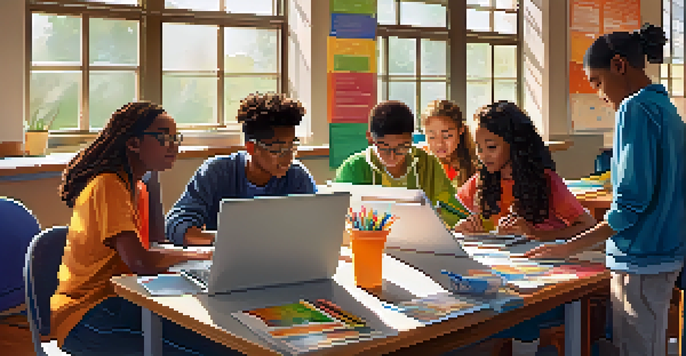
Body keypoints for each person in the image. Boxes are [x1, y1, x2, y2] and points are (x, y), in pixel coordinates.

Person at [527, 24, 686, 356]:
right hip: (667, 251)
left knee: (635, 348)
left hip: (640, 257)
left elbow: (631, 202)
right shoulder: (666, 109)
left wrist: (567, 248)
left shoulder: (634, 109)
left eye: (597, 82)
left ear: (619, 65)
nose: (600, 94)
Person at [51, 102, 237, 355]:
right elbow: (140, 260)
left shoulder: (137, 186)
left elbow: (155, 245)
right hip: (89, 316)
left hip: (124, 299)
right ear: (133, 143)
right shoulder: (108, 184)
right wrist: (202, 254)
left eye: (175, 137)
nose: (173, 145)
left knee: (217, 337)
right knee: (217, 348)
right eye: (163, 137)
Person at [453, 100, 596, 355]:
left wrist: (535, 234)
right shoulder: (481, 181)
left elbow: (587, 225)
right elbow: (457, 220)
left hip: (547, 281)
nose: (483, 155)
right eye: (479, 148)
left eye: (491, 147)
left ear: (515, 145)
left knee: (521, 311)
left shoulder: (546, 181)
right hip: (506, 274)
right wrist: (463, 229)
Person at [165, 92, 317, 246]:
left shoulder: (297, 177)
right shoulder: (216, 172)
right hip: (228, 262)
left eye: (292, 147)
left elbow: (317, 226)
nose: (288, 157)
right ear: (252, 148)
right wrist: (226, 242)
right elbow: (175, 225)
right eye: (278, 149)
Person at [333, 100, 469, 228]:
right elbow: (337, 216)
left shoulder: (427, 163)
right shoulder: (354, 168)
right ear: (370, 137)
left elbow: (452, 209)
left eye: (402, 147)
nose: (392, 156)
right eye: (384, 147)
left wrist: (464, 223)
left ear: (411, 139)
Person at [419, 99, 478, 188]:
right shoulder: (419, 161)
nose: (439, 144)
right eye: (431, 137)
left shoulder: (477, 164)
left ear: (461, 130)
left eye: (447, 136)